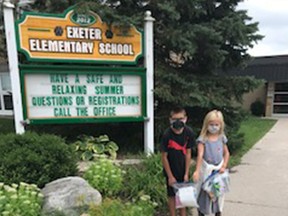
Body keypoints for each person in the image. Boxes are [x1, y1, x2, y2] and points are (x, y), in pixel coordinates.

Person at [192, 110, 230, 216]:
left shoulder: (222, 138)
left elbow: (226, 153)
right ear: (206, 124)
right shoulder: (203, 139)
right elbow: (200, 155)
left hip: (219, 171)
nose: (214, 127)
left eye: (216, 124)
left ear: (220, 124)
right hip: (207, 171)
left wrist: (224, 165)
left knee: (219, 194)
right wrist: (197, 171)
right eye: (211, 124)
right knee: (204, 194)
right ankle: (202, 213)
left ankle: (218, 212)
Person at [160, 107, 196, 216]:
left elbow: (188, 153)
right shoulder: (167, 135)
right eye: (175, 119)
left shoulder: (188, 132)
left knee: (183, 195)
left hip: (183, 169)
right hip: (171, 169)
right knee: (171, 196)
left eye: (181, 118)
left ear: (185, 118)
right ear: (170, 119)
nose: (178, 121)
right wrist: (170, 176)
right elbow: (164, 156)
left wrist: (186, 173)